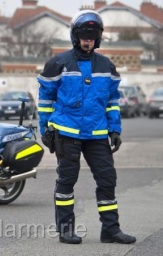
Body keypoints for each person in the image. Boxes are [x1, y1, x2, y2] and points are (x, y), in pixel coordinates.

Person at [37, 10, 136, 244]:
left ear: (98, 38)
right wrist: (46, 129)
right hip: (67, 132)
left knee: (107, 180)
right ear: (75, 36)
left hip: (98, 133)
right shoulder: (58, 63)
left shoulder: (106, 66)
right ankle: (66, 229)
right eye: (84, 35)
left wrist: (115, 129)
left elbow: (112, 101)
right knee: (66, 182)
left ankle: (110, 230)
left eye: (92, 35)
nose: (88, 40)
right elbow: (45, 100)